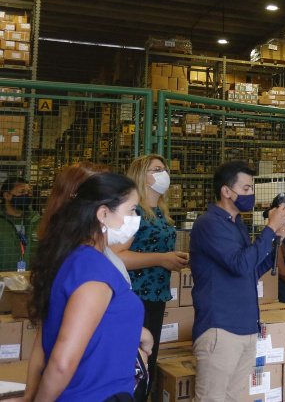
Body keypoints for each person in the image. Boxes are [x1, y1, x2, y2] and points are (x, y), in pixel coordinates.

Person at [25, 173, 149, 401]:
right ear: (103, 214)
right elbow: (62, 363)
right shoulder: (94, 270)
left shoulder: (76, 259)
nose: (136, 218)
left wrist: (137, 333)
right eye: (131, 210)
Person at [189, 161, 285, 402]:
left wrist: (275, 242)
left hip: (246, 327)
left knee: (233, 397)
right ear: (226, 191)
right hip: (221, 328)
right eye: (246, 189)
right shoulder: (209, 223)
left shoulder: (237, 225)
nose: (250, 194)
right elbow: (239, 264)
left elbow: (250, 270)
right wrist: (269, 228)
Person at [113, 154, 188, 402]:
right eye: (156, 169)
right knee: (134, 361)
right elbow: (116, 256)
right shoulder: (134, 213)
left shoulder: (160, 212)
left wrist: (174, 259)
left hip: (156, 295)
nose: (164, 173)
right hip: (136, 296)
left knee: (149, 360)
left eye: (164, 169)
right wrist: (161, 258)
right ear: (141, 176)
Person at [0, 176, 41, 271]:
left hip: (30, 276)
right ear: (6, 196)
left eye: (28, 192)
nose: (26, 196)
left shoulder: (36, 220)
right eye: (21, 192)